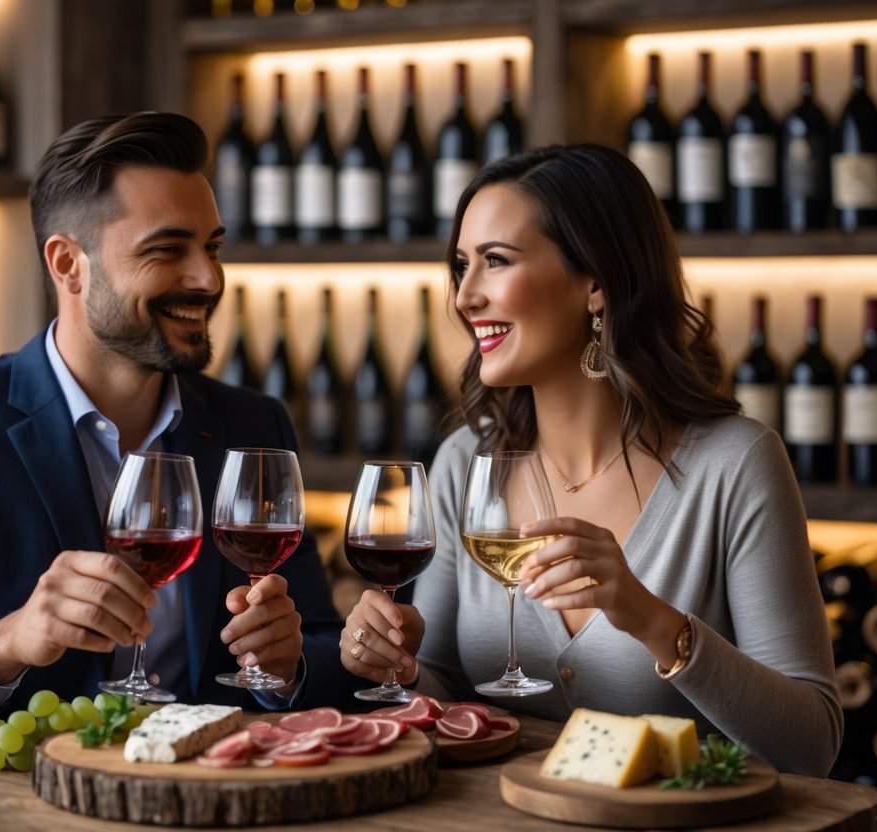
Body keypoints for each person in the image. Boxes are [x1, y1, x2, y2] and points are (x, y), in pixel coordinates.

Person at [0, 112, 359, 758]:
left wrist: (288, 663)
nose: (208, 279)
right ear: (68, 263)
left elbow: (325, 651)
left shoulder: (253, 426)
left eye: (212, 247)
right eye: (167, 250)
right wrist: (7, 642)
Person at [339, 144, 842, 777]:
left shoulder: (734, 463)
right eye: (461, 265)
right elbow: (440, 692)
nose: (465, 296)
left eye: (496, 261)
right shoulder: (467, 459)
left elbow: (812, 745)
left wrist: (653, 621)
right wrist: (396, 663)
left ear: (596, 283)